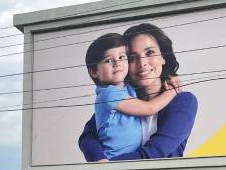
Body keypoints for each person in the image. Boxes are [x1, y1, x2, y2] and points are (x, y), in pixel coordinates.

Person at [78, 23, 198, 161]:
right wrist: (100, 163)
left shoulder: (183, 101)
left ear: (163, 57)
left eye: (150, 52)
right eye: (132, 57)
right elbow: (87, 136)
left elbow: (154, 153)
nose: (142, 63)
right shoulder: (122, 98)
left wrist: (110, 167)